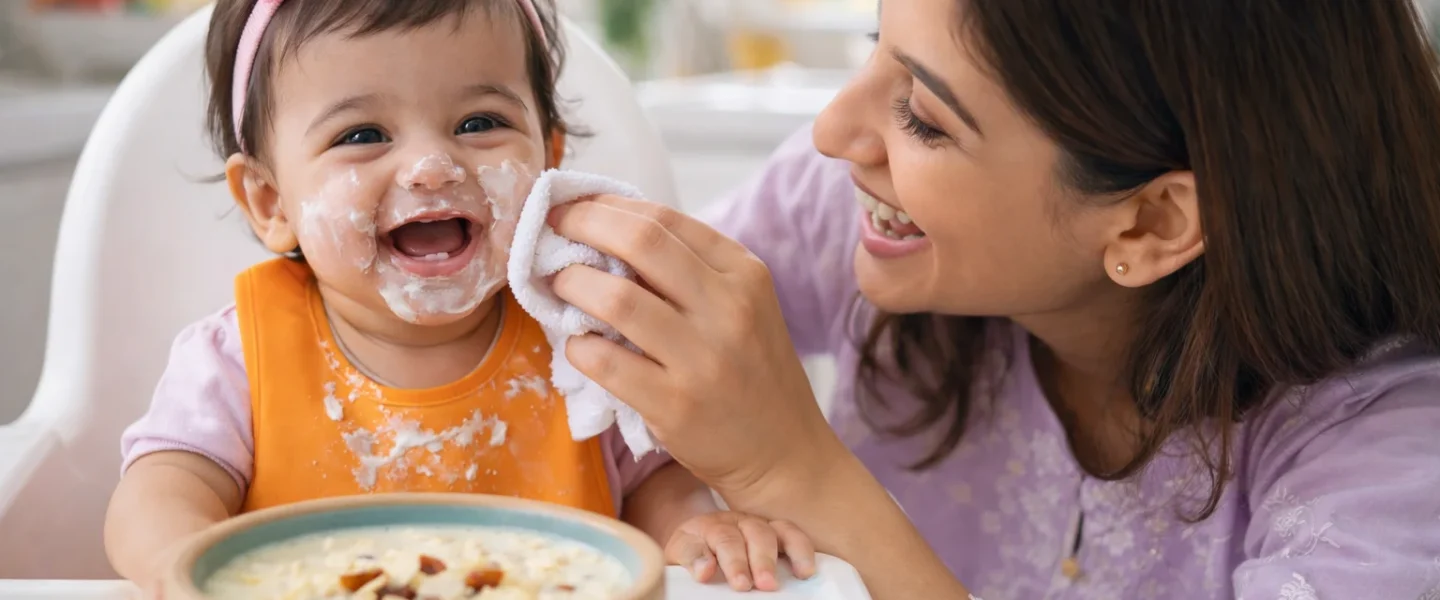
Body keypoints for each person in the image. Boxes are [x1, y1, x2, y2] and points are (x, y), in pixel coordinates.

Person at [545, 1, 1440, 599]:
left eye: (925, 118)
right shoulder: (859, 211)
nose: (833, 132)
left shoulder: (1395, 467)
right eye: (873, 48)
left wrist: (796, 474)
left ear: (1152, 224)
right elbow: (564, 366)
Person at [101, 0, 814, 594]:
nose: (432, 166)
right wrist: (178, 565)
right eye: (363, 134)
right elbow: (157, 495)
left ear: (550, 158)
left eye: (479, 124)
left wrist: (695, 528)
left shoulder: (584, 342)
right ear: (269, 201)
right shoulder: (239, 360)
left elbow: (657, 481)